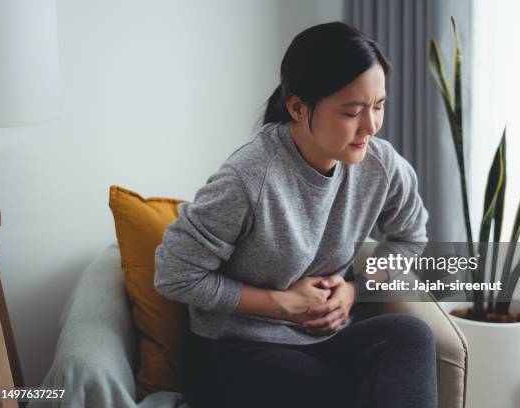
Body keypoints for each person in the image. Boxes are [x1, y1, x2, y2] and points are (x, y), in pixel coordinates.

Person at [154, 21, 436, 408]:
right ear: (299, 108)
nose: (370, 127)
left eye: (378, 106)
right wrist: (280, 303)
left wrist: (353, 291)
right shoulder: (249, 178)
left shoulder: (381, 167)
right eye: (352, 112)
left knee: (410, 334)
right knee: (344, 393)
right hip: (236, 351)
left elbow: (411, 238)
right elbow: (174, 275)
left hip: (323, 340)